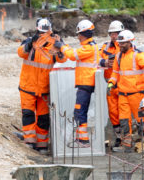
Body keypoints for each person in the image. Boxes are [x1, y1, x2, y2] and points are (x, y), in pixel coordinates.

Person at [108, 29, 144, 149]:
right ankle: (127, 142)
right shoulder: (118, 57)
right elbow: (115, 73)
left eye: (123, 43)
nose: (120, 45)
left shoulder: (138, 55)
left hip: (136, 94)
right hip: (123, 94)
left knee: (141, 119)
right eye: (119, 43)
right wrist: (111, 83)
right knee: (124, 119)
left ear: (130, 42)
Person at [17, 17, 66, 152]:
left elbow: (63, 59)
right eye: (41, 33)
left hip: (44, 89)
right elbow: (20, 52)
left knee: (43, 118)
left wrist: (60, 45)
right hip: (28, 86)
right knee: (28, 115)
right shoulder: (29, 42)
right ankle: (29, 143)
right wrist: (29, 44)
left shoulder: (53, 44)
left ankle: (42, 145)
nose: (43, 35)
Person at [63, 19, 97, 146]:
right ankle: (80, 138)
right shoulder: (90, 46)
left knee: (80, 111)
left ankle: (83, 140)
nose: (78, 37)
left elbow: (72, 55)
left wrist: (62, 46)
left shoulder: (88, 48)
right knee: (80, 112)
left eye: (79, 34)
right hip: (85, 83)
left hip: (86, 83)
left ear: (84, 34)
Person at [99, 20, 124, 147]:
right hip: (110, 84)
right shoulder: (105, 46)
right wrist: (104, 62)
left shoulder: (125, 45)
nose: (114, 36)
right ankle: (119, 137)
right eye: (112, 34)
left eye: (116, 33)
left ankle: (127, 137)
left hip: (123, 84)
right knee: (113, 112)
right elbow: (96, 58)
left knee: (124, 112)